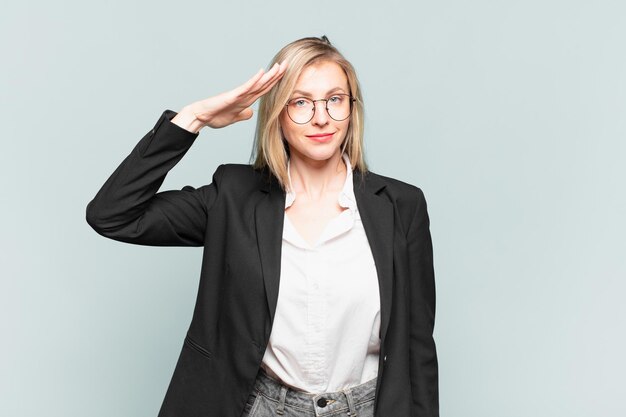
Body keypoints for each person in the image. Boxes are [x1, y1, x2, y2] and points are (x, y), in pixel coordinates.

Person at [86, 36, 438, 417]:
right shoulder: (233, 198)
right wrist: (193, 119)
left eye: (335, 99)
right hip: (260, 407)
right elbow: (113, 214)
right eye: (301, 102)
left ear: (352, 109)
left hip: (369, 407)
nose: (321, 118)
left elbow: (416, 345)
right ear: (277, 113)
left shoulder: (402, 206)